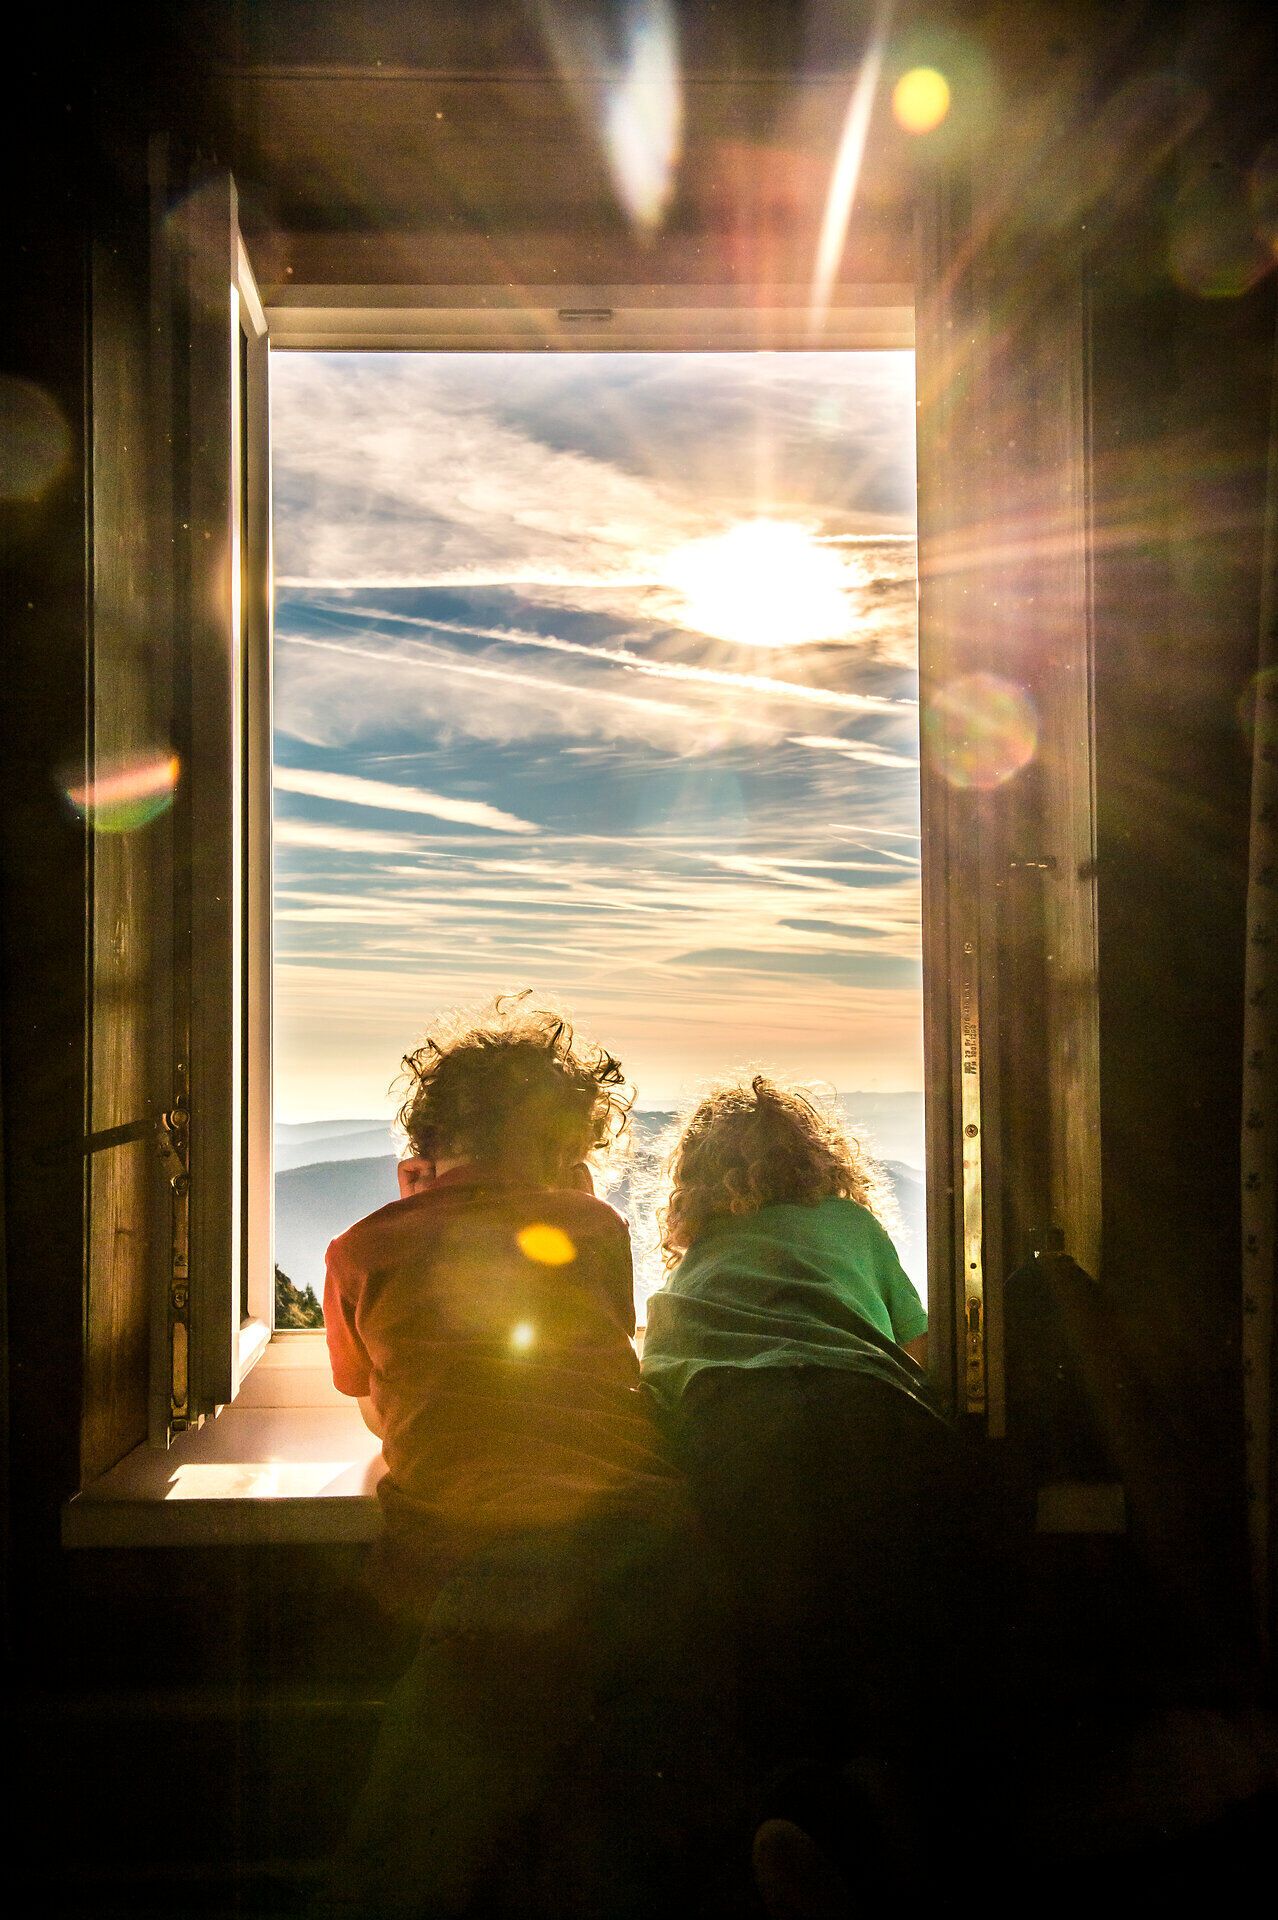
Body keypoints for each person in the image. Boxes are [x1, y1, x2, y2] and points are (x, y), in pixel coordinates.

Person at [321, 997, 711, 1919]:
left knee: (425, 1841)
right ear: (567, 1150)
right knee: (627, 1824)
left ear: (424, 1146)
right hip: (645, 1540)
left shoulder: (359, 1250)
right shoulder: (595, 1228)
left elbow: (372, 1405)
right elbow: (600, 1352)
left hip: (476, 1552)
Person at [640, 1075, 960, 1781]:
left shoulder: (697, 1260)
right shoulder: (853, 1225)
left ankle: (790, 1802)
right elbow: (920, 1348)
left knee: (768, 1627)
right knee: (887, 1622)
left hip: (734, 1421)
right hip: (867, 1410)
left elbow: (663, 1377)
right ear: (819, 1158)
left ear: (691, 1185)